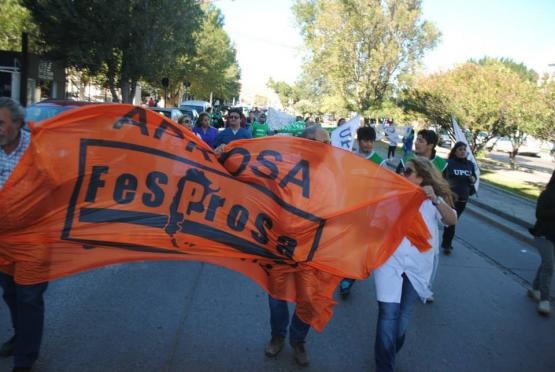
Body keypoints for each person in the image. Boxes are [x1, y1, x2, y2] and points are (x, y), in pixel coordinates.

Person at [373, 156, 457, 372]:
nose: (402, 174)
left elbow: (451, 220)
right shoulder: (392, 194)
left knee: (401, 319)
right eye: (403, 170)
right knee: (388, 314)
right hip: (389, 261)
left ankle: (388, 351)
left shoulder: (433, 200)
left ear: (422, 177)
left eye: (408, 171)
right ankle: (384, 366)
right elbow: (374, 222)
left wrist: (436, 199)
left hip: (418, 266)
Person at [264, 126, 331, 367]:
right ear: (307, 143)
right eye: (323, 141)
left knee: (310, 298)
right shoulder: (283, 166)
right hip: (280, 245)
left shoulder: (335, 173)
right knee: (276, 296)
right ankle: (278, 335)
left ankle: (298, 339)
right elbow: (248, 172)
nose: (328, 145)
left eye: (329, 140)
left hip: (314, 247)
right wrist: (224, 153)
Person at [0, 97, 49, 372]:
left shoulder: (40, 148)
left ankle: (25, 358)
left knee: (29, 297)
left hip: (34, 238)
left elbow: (56, 184)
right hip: (3, 239)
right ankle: (21, 337)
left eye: (1, 123)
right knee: (10, 294)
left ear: (18, 123)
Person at [339, 126, 386, 298]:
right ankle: (342, 270)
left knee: (358, 246)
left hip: (367, 212)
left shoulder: (379, 161)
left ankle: (348, 279)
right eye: (365, 140)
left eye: (372, 141)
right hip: (347, 208)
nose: (369, 144)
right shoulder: (349, 157)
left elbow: (382, 187)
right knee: (345, 243)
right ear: (358, 141)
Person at [441, 141, 477, 255]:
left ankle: (446, 241)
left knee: (452, 221)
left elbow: (474, 178)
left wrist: (473, 179)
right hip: (451, 198)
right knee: (452, 221)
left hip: (463, 198)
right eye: (460, 149)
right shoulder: (449, 163)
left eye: (464, 150)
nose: (462, 152)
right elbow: (442, 179)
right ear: (455, 151)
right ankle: (447, 245)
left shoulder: (470, 165)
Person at [527, 170, 555, 316]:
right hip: (543, 235)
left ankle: (535, 288)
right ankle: (545, 300)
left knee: (546, 263)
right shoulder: (547, 194)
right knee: (549, 265)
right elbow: (539, 214)